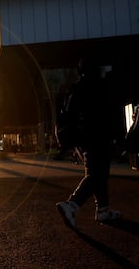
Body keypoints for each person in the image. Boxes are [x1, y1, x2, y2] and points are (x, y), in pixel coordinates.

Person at [56, 57, 121, 230]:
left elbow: (67, 115)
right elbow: (109, 113)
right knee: (97, 175)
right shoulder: (100, 85)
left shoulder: (75, 88)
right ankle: (72, 204)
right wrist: (118, 137)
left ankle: (103, 210)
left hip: (82, 138)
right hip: (99, 135)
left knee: (98, 173)